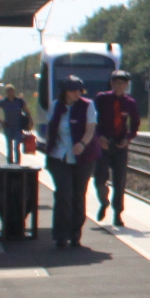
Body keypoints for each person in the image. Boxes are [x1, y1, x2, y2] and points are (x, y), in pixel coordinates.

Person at [43, 76, 98, 248]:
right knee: (63, 194)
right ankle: (61, 235)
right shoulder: (55, 106)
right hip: (59, 156)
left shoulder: (87, 105)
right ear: (65, 92)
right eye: (73, 90)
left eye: (79, 90)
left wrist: (82, 144)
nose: (77, 94)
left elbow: (90, 129)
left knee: (78, 196)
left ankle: (75, 234)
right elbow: (51, 129)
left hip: (83, 158)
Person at [93, 68, 141, 227]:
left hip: (120, 145)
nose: (119, 86)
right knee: (100, 178)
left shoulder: (129, 103)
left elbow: (135, 124)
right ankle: (103, 200)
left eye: (122, 83)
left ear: (126, 85)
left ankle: (117, 213)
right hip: (104, 144)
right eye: (116, 82)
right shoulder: (101, 98)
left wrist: (128, 139)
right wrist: (99, 136)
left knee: (120, 180)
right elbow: (93, 120)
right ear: (111, 83)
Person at [0, 83, 32, 161]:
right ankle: (10, 163)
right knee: (9, 147)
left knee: (17, 147)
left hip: (18, 127)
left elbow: (27, 112)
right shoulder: (3, 102)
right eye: (8, 91)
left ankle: (17, 164)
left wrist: (30, 121)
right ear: (6, 92)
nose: (10, 92)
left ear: (14, 91)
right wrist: (0, 121)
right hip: (7, 127)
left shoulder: (19, 101)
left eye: (11, 91)